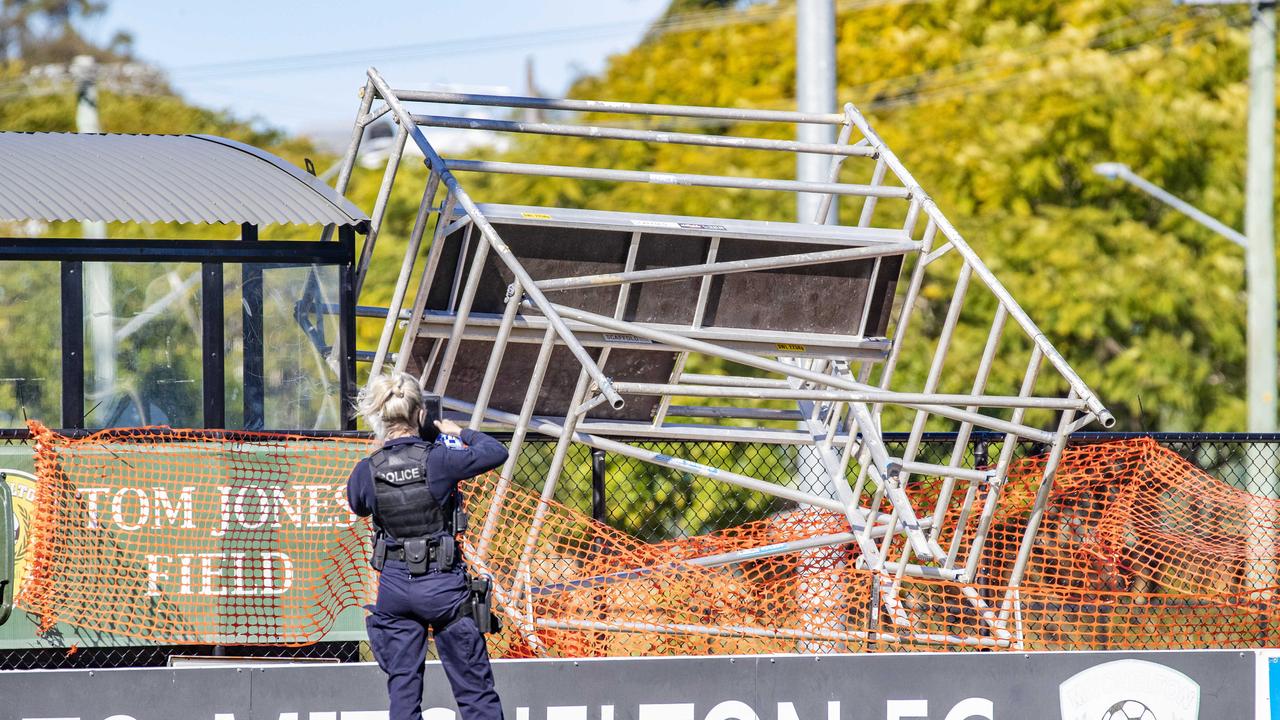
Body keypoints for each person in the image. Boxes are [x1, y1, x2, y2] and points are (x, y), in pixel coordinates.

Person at [347, 372, 509, 720]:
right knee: (475, 695)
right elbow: (496, 452)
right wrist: (456, 433)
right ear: (420, 413)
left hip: (395, 592)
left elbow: (357, 504)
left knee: (403, 696)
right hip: (444, 590)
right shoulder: (439, 459)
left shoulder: (366, 470)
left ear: (380, 417)